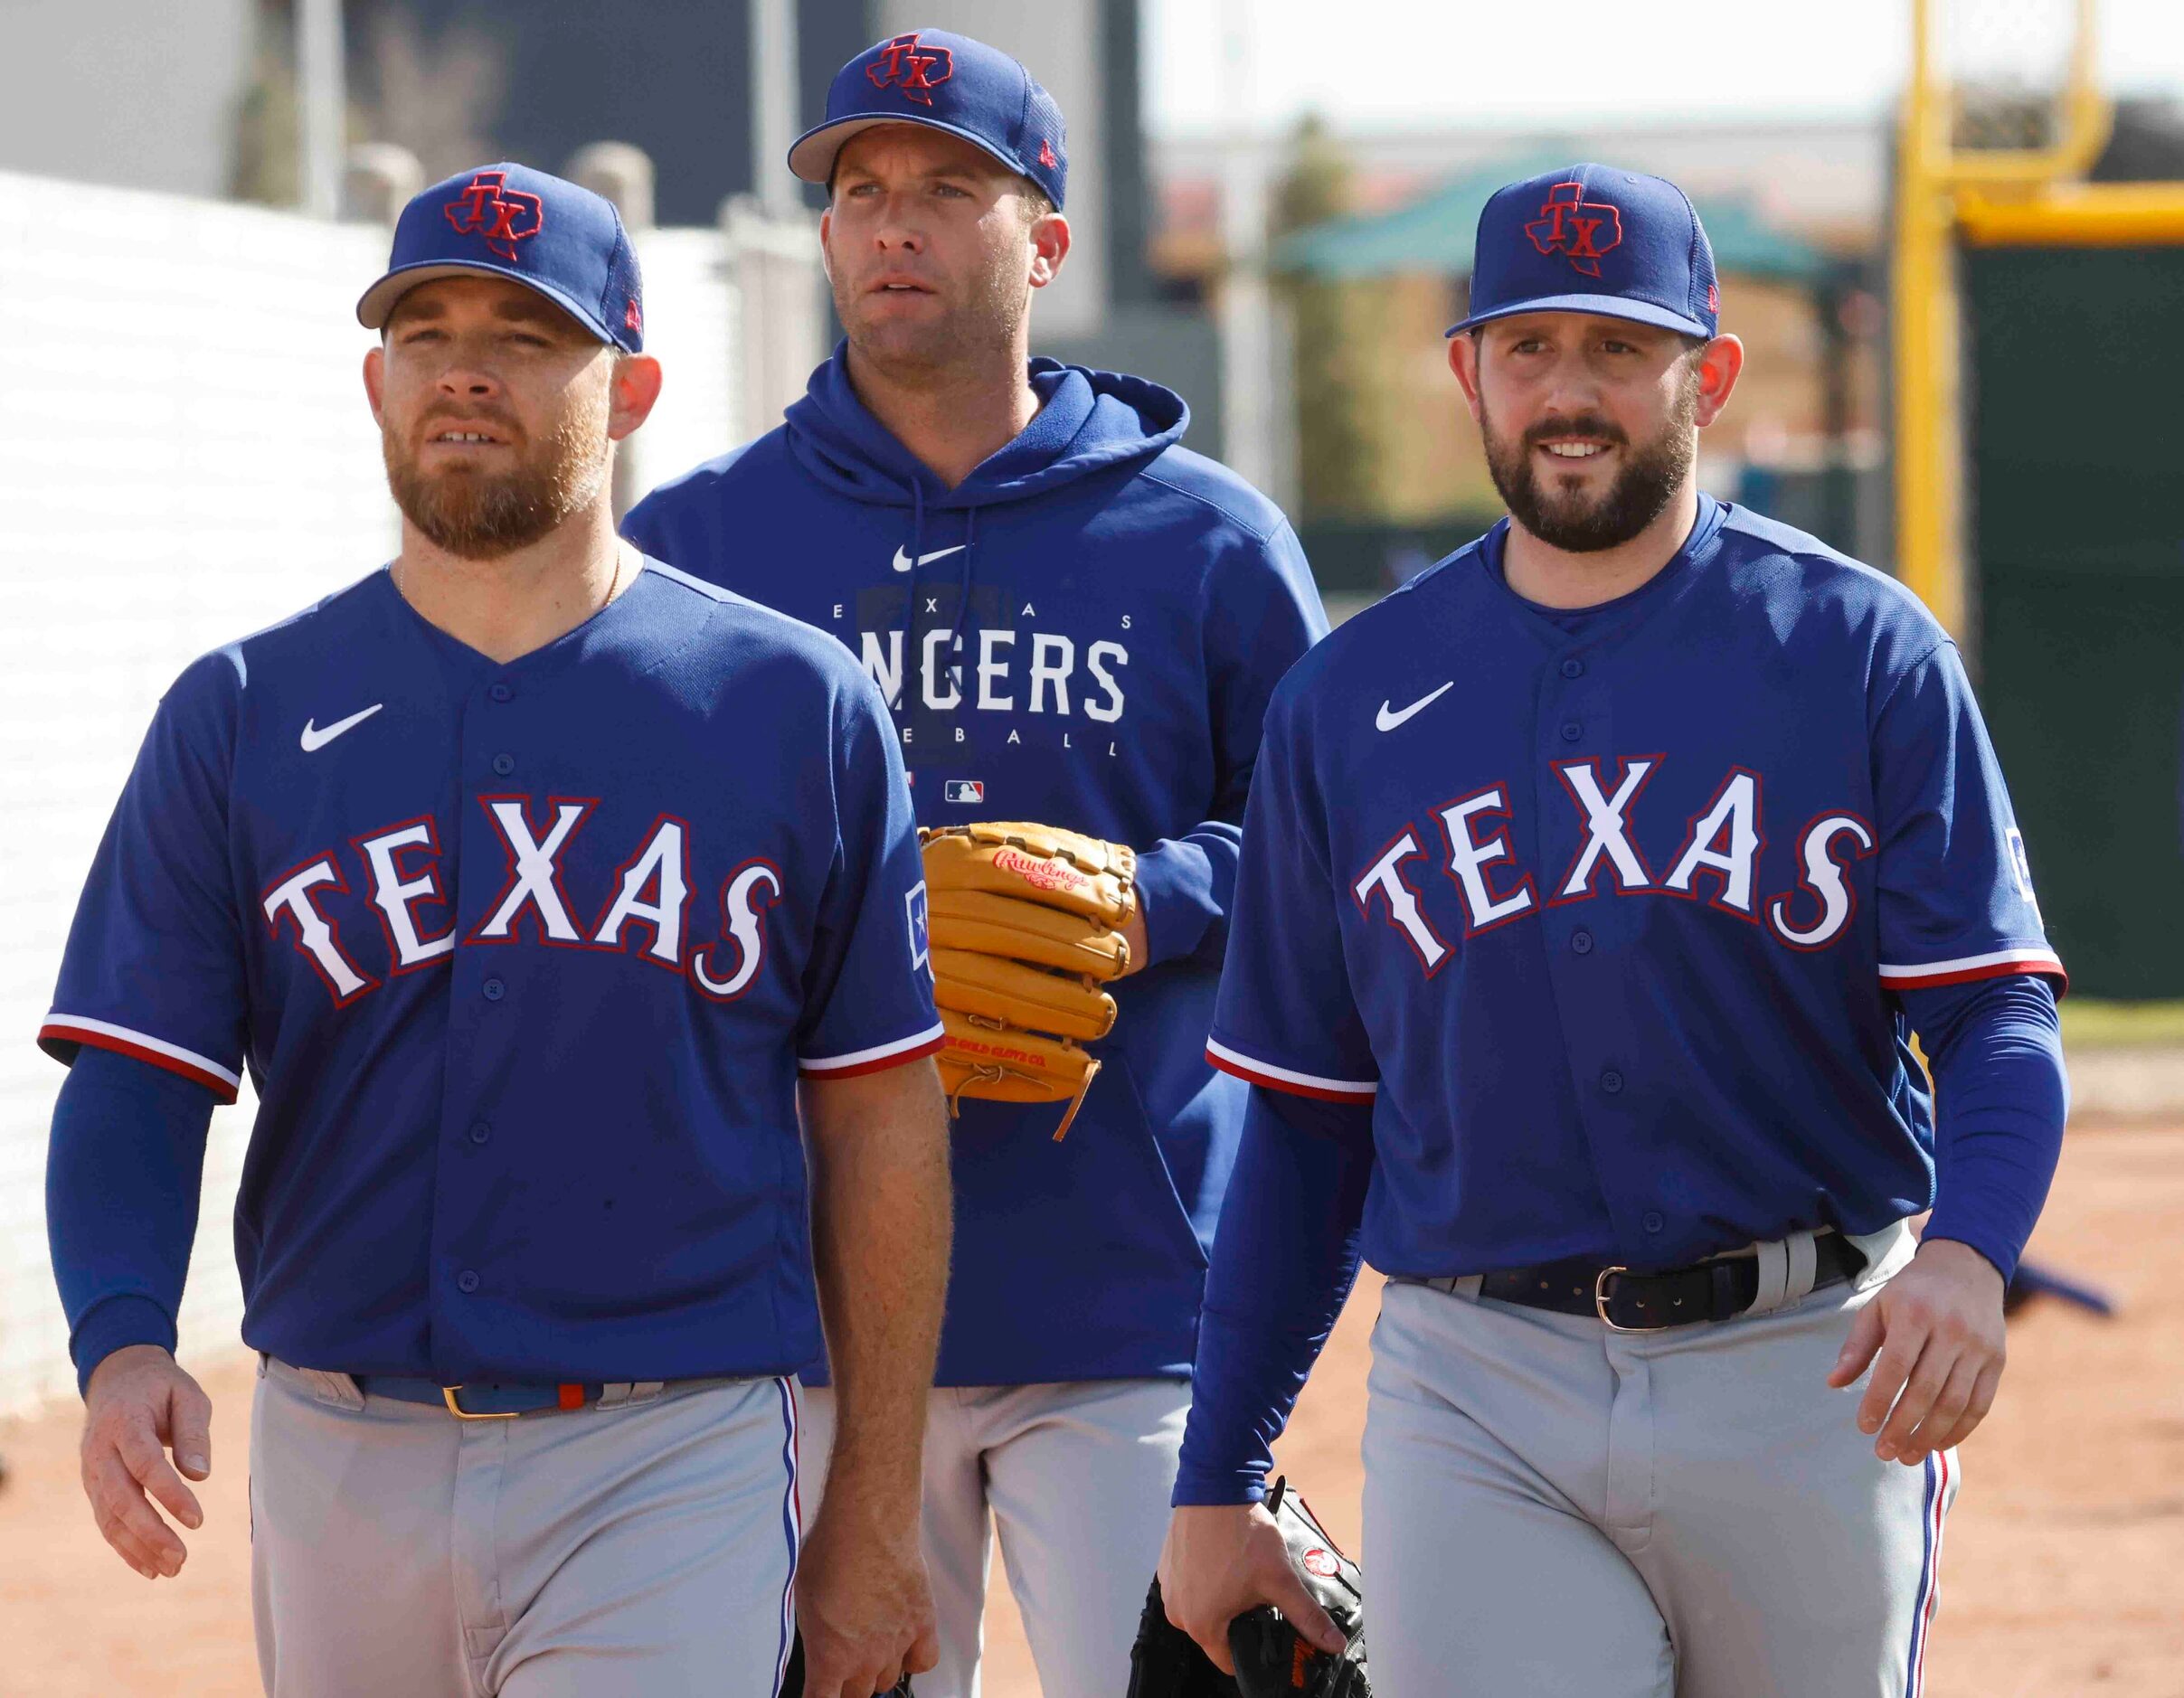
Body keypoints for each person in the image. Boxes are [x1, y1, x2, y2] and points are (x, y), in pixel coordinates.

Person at [1155, 165, 2071, 1698]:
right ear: (1468, 373)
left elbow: (1994, 1016)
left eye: (1617, 350)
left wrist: (1972, 1254)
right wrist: (1220, 1469)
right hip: (1478, 1381)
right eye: (1528, 349)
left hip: (1807, 1364)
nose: (1568, 395)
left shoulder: (1857, 652)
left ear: (1706, 372)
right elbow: (1310, 1125)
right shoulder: (1348, 704)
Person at [42, 162, 950, 1698]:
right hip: (342, 1445)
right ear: (377, 380)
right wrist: (123, 1333)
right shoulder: (245, 712)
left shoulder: (792, 706)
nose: (466, 364)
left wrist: (869, 1504)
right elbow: (136, 1074)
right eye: (427, 328)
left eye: (528, 336)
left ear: (635, 385)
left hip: (673, 1446)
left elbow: (880, 1120)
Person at [621, 29, 1327, 1698]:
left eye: (948, 188)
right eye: (860, 191)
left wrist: (1144, 898)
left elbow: (1329, 862)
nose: (892, 226)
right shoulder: (702, 545)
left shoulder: (1208, 542)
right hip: (803, 1314)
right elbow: (626, 878)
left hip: (1130, 1292)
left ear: (1049, 242)